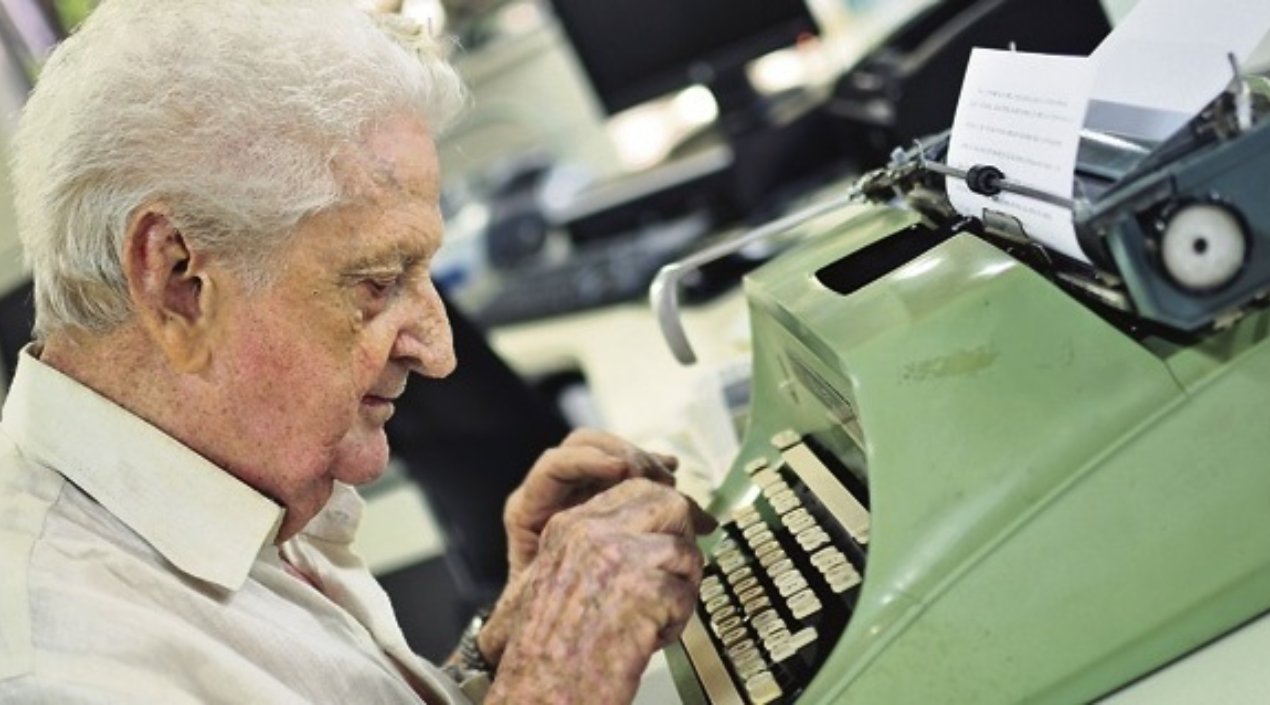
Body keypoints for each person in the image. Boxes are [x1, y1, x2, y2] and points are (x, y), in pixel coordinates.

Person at [0, 1, 713, 703]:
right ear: (179, 281)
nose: (441, 353)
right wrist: (556, 687)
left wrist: (500, 651)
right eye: (377, 282)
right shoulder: (53, 668)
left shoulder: (222, 462)